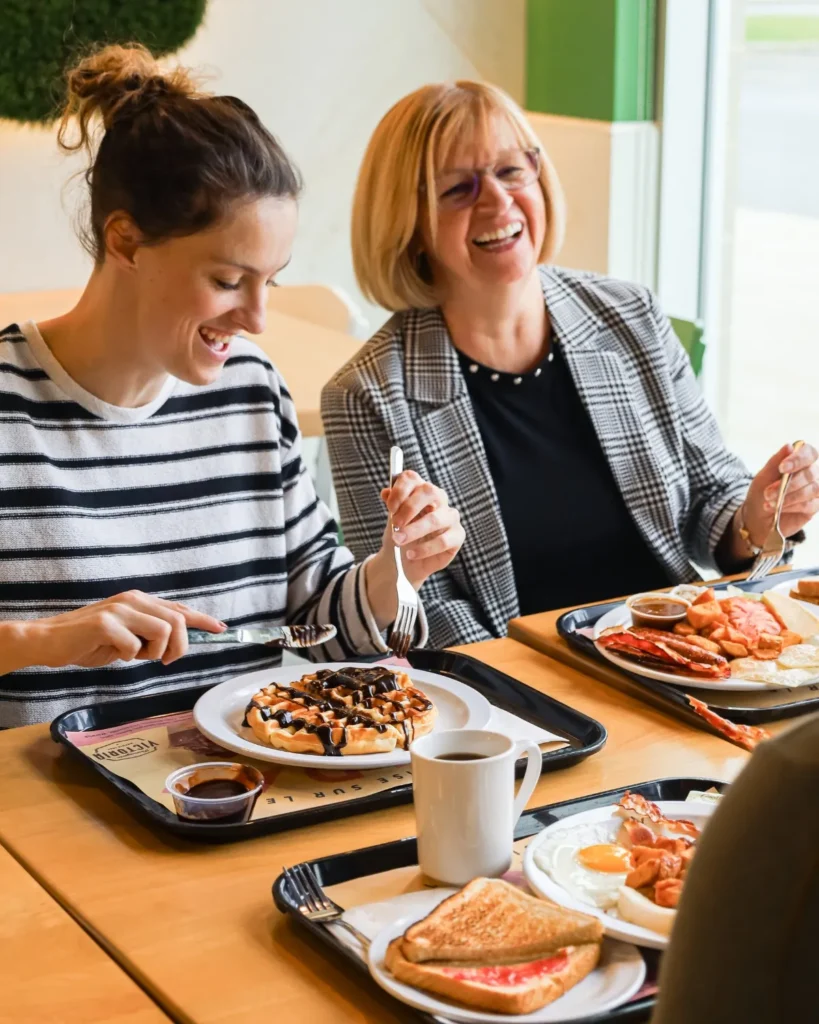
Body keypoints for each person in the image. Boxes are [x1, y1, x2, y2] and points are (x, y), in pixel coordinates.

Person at [0, 47, 463, 728]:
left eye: (268, 281)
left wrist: (396, 571)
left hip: (233, 800)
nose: (255, 319)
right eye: (226, 281)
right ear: (125, 242)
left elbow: (315, 630)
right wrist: (38, 640)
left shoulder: (249, 392)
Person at [321, 80, 819, 650]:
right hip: (526, 704)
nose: (498, 203)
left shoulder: (631, 317)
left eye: (512, 171)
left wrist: (757, 517)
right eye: (458, 188)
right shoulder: (367, 396)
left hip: (678, 657)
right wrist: (540, 686)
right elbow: (412, 612)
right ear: (409, 225)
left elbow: (712, 500)